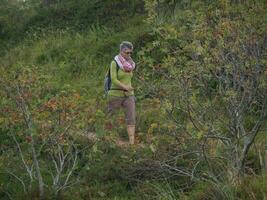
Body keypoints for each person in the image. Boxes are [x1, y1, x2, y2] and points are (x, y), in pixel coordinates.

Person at [107, 41, 136, 145]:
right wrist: (125, 87)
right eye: (127, 53)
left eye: (130, 53)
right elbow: (114, 79)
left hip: (129, 95)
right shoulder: (114, 63)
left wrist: (129, 88)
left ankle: (132, 143)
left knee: (131, 117)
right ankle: (109, 139)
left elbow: (129, 78)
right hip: (115, 93)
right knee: (112, 116)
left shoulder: (131, 65)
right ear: (121, 51)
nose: (129, 55)